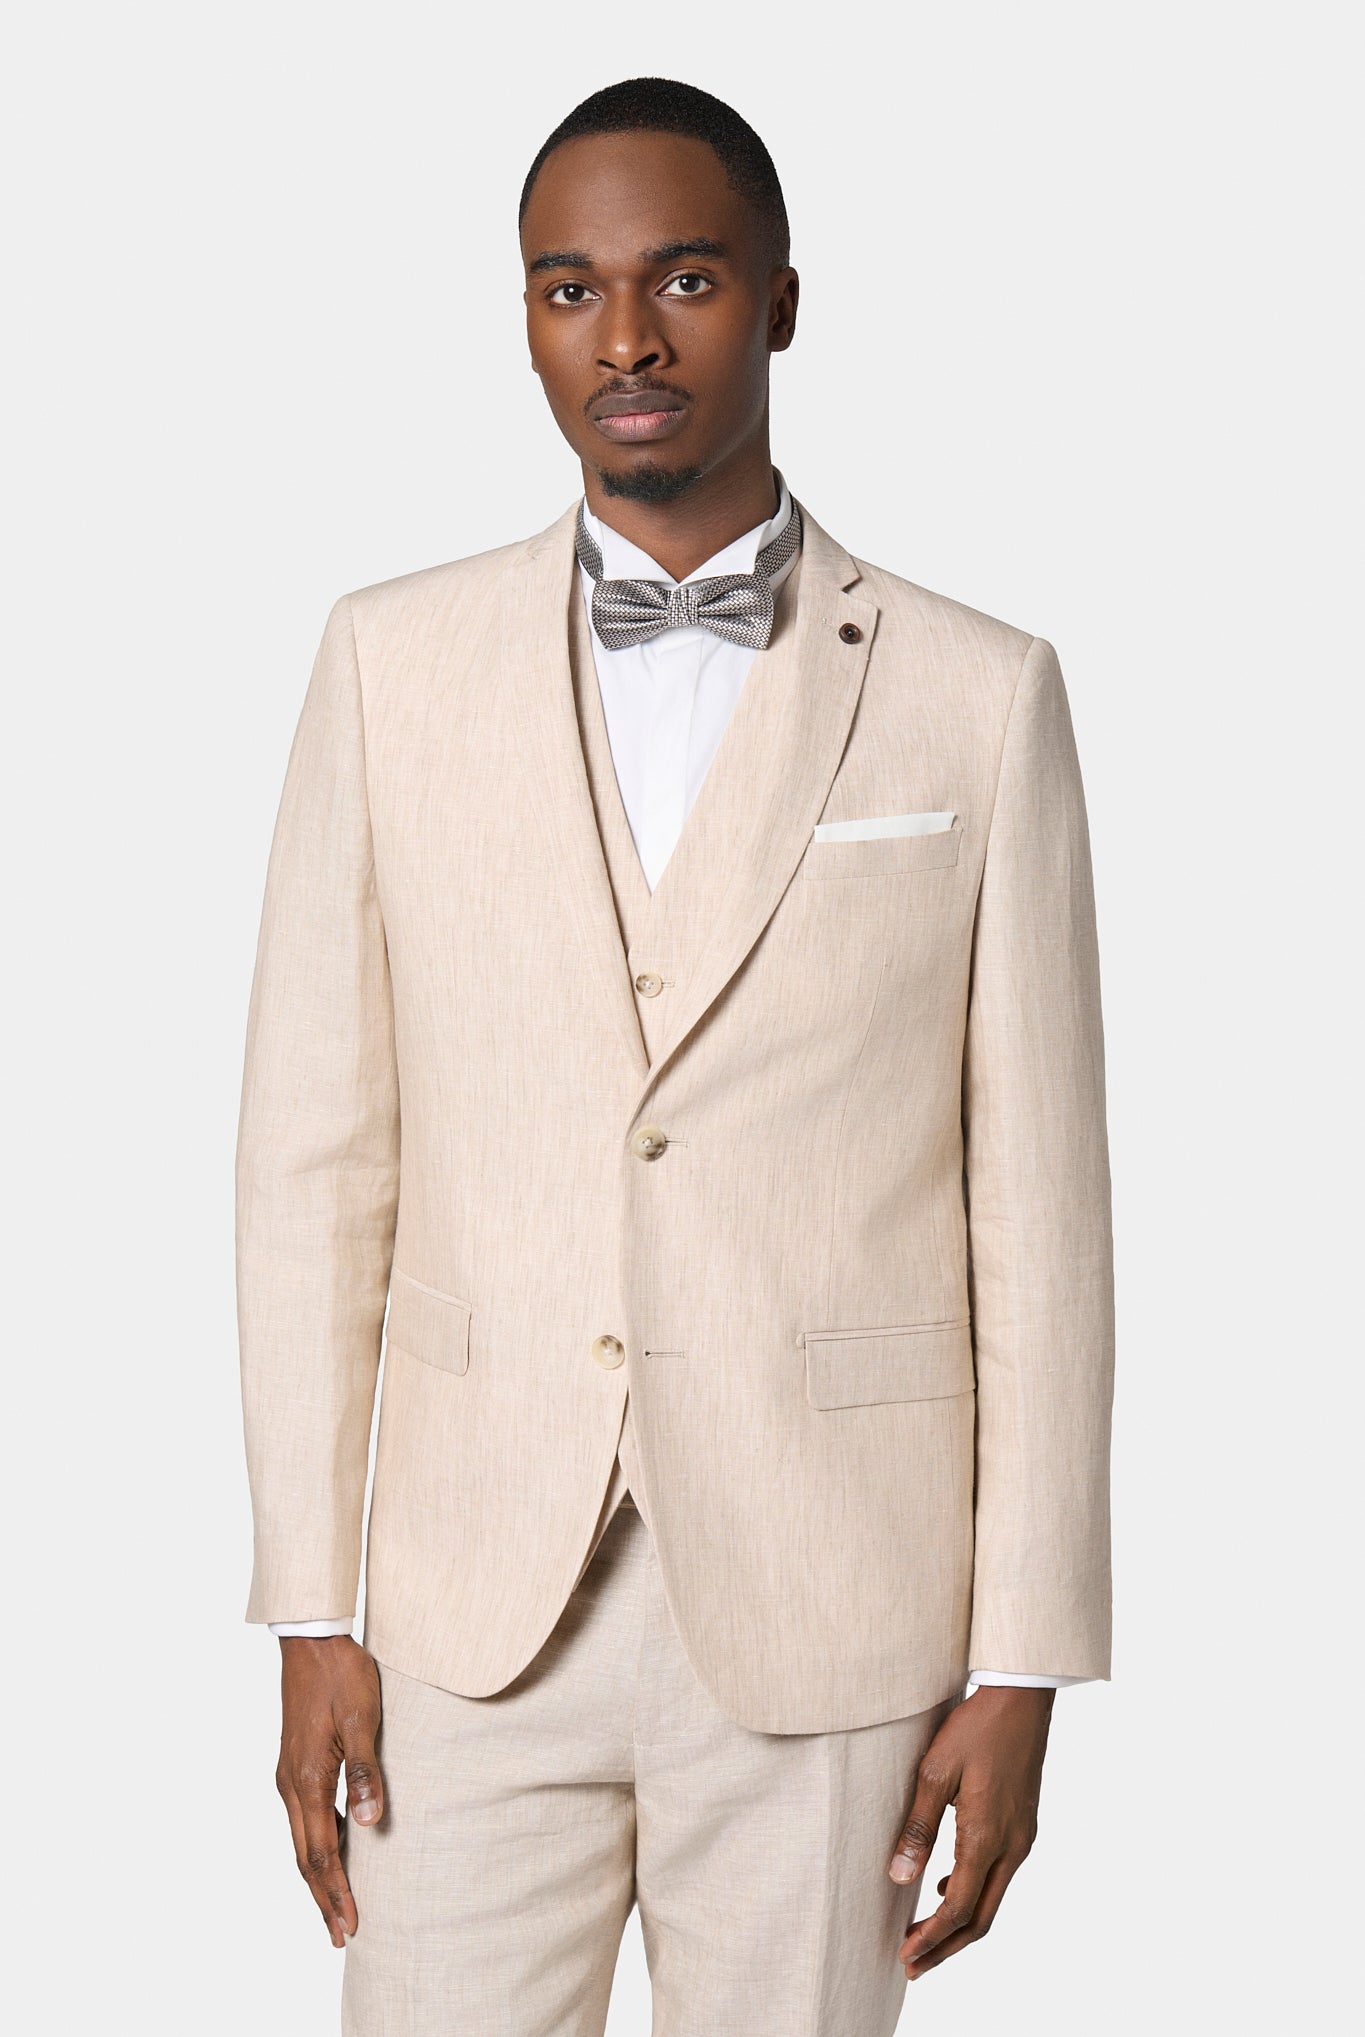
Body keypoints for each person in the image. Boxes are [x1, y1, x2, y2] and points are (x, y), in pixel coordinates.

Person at [236, 75, 1115, 2036]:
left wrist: (1024, 1653)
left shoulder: (978, 694)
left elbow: (1040, 1206)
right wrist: (306, 1604)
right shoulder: (387, 662)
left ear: (780, 301)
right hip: (466, 1609)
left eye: (684, 280)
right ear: (527, 315)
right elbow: (315, 1158)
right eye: (570, 288)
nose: (623, 339)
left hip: (836, 1600)